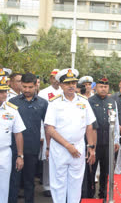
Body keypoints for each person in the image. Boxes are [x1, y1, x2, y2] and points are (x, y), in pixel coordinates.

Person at [44, 68, 96, 203]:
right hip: (60, 148)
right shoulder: (54, 102)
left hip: (78, 146)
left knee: (76, 182)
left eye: (73, 82)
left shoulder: (84, 101)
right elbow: (50, 128)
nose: (71, 86)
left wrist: (91, 147)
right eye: (67, 83)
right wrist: (67, 146)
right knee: (58, 183)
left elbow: (89, 125)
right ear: (61, 85)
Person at [8, 73, 48, 203]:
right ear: (20, 85)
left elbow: (48, 126)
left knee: (29, 182)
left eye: (30, 87)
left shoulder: (43, 103)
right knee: (13, 181)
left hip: (32, 148)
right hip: (13, 148)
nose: (26, 90)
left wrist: (47, 146)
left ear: (36, 85)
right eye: (24, 86)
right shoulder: (12, 103)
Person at [87, 77, 120, 198]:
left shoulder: (112, 102)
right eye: (101, 86)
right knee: (91, 170)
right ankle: (90, 194)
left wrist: (116, 140)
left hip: (108, 142)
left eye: (106, 87)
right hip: (94, 142)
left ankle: (103, 194)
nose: (103, 89)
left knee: (105, 170)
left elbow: (116, 122)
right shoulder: (89, 101)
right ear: (95, 87)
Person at [0, 75, 25, 203]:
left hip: (4, 152)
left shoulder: (12, 110)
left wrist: (20, 155)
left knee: (4, 187)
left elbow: (18, 133)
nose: (3, 94)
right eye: (0, 91)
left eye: (4, 91)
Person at [38, 69, 62, 197]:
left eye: (58, 78)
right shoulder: (43, 93)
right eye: (54, 78)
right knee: (47, 159)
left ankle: (59, 185)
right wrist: (42, 134)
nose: (56, 80)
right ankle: (47, 185)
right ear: (51, 78)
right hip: (48, 129)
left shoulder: (65, 92)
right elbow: (42, 116)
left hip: (61, 131)